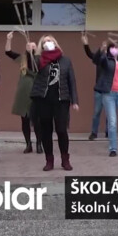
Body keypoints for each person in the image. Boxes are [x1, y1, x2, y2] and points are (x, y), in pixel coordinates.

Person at [30, 35, 79, 171]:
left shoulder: (65, 60)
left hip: (61, 100)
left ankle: (65, 159)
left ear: (55, 43)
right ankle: (49, 160)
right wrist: (31, 52)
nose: (47, 43)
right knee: (46, 131)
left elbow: (71, 80)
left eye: (50, 41)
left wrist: (75, 100)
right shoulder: (39, 59)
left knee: (61, 130)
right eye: (44, 42)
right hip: (43, 99)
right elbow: (31, 66)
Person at [5, 31, 41, 154]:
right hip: (23, 94)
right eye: (29, 45)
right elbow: (8, 52)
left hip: (36, 93)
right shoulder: (23, 58)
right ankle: (28, 144)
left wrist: (31, 53)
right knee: (25, 120)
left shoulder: (40, 59)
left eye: (34, 46)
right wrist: (9, 39)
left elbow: (34, 65)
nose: (31, 47)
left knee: (37, 120)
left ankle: (39, 143)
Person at [82, 34, 108, 140]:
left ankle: (108, 131)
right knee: (97, 112)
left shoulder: (112, 60)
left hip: (110, 89)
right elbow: (90, 54)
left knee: (109, 113)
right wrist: (85, 43)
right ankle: (94, 132)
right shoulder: (99, 58)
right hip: (99, 90)